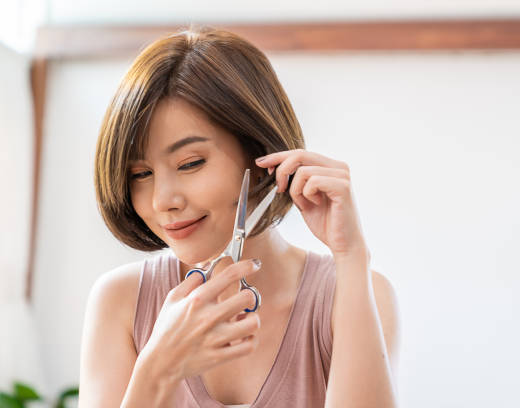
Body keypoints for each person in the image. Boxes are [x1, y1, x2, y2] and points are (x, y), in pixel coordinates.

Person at [79, 27, 399, 407]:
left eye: (190, 163)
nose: (163, 201)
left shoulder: (358, 292)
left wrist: (351, 257)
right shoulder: (120, 301)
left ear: (260, 154)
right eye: (141, 175)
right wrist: (157, 369)